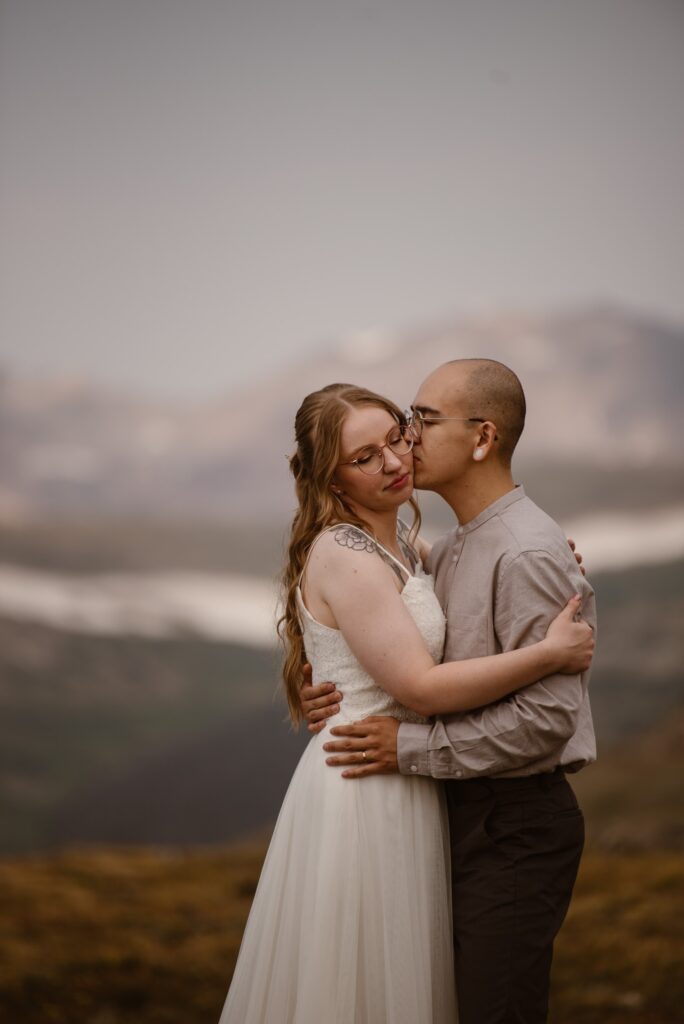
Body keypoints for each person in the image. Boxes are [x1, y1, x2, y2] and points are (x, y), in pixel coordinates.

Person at [218, 381, 594, 1024]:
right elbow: (418, 686)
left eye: (397, 435)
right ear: (330, 479)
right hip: (369, 787)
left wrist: (545, 559)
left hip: (416, 782)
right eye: (364, 457)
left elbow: (472, 585)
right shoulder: (347, 552)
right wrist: (548, 654)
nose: (394, 461)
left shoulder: (417, 550)